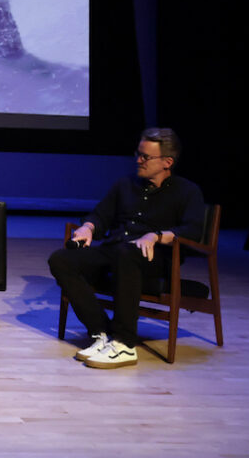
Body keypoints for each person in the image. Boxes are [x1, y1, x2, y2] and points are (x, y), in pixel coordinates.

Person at [47, 127, 205, 369]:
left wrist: (157, 235)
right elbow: (101, 215)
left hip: (153, 259)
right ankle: (100, 332)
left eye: (146, 157)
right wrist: (88, 227)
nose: (138, 160)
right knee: (61, 259)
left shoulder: (187, 191)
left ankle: (124, 344)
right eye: (138, 153)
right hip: (116, 250)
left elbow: (193, 231)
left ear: (167, 162)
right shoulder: (126, 184)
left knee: (127, 253)